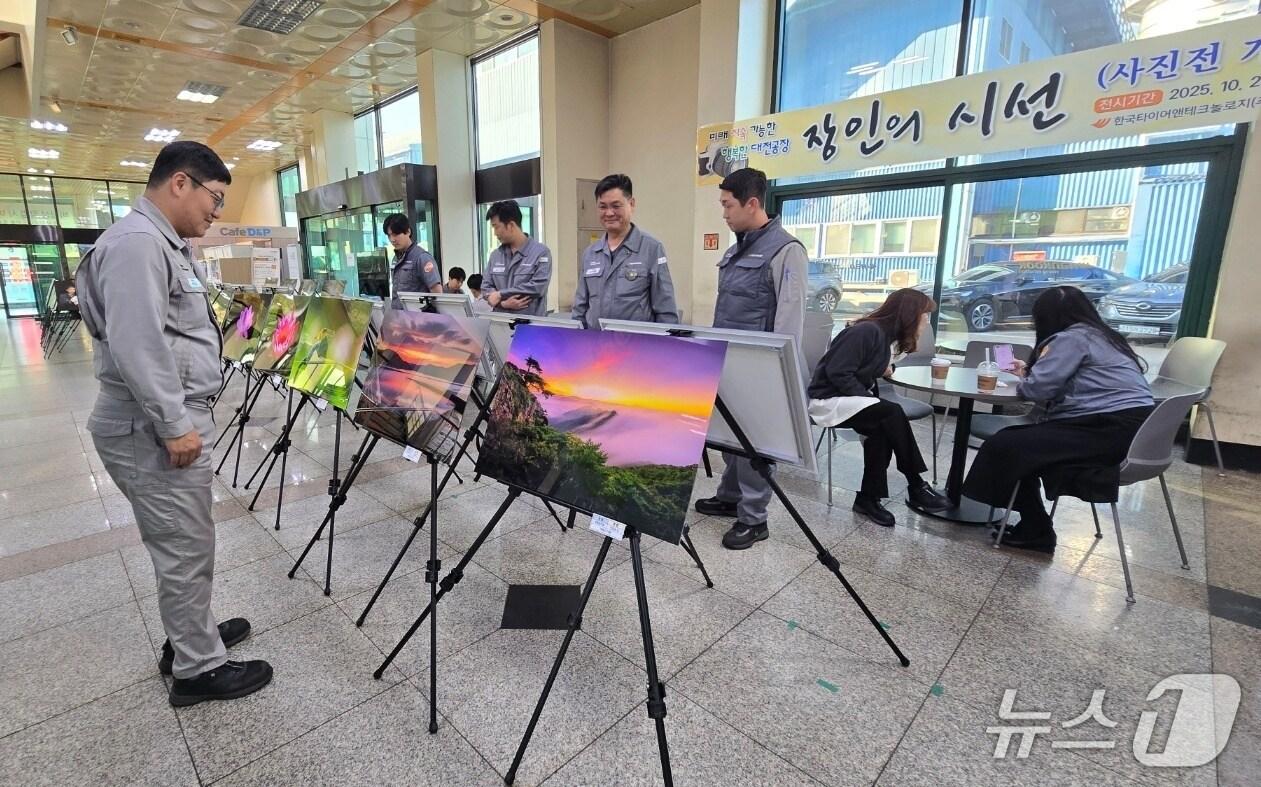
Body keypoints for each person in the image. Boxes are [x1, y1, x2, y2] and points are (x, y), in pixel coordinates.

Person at [75, 141, 271, 706]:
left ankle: (190, 638)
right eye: (214, 198)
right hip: (152, 426)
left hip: (156, 421)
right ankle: (198, 670)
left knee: (184, 542)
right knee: (184, 547)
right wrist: (173, 423)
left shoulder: (161, 244)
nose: (216, 211)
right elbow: (139, 345)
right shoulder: (139, 245)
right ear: (180, 184)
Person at [962, 286, 1155, 553]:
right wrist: (1031, 371)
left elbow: (1037, 390)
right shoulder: (1103, 337)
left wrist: (1028, 379)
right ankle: (1034, 525)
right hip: (1136, 430)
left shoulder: (1071, 339)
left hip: (1107, 428)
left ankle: (1037, 529)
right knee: (1019, 446)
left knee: (1006, 446)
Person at [692, 168, 808, 550]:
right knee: (729, 438)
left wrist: (779, 374)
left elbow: (789, 322)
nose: (723, 213)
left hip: (760, 367)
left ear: (752, 203)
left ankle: (754, 518)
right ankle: (729, 496)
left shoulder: (786, 251)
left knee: (753, 444)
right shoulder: (734, 249)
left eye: (727, 205)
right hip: (727, 360)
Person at [806, 288, 950, 526]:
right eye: (925, 315)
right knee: (891, 412)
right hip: (828, 400)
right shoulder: (865, 331)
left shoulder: (884, 338)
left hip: (850, 399)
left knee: (882, 431)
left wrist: (883, 367)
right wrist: (868, 397)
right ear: (910, 314)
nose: (927, 321)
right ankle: (915, 484)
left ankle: (868, 498)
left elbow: (865, 366)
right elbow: (838, 373)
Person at [571, 174, 679, 329]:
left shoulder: (651, 248)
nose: (609, 213)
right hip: (596, 347)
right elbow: (580, 308)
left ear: (632, 204)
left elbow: (665, 309)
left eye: (616, 206)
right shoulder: (590, 253)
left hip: (637, 348)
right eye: (603, 207)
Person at [482, 200, 552, 316]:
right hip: (500, 324)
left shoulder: (541, 253)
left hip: (530, 326)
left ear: (511, 225)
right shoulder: (496, 255)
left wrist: (500, 294)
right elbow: (486, 287)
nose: (494, 233)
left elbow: (537, 287)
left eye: (496, 227)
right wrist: (503, 304)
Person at [384, 213, 441, 305]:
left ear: (408, 232)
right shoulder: (396, 258)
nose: (392, 239)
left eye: (396, 234)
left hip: (417, 317)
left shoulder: (422, 257)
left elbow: (437, 293)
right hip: (399, 316)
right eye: (389, 235)